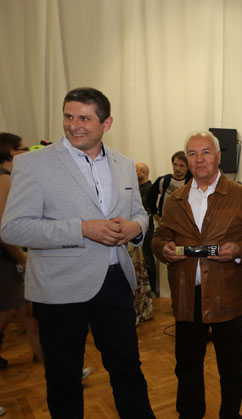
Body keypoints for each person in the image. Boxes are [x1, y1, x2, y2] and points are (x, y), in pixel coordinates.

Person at [0, 87, 154, 418]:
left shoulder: (124, 164)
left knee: (128, 370)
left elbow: (140, 214)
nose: (74, 125)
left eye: (84, 118)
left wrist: (135, 228)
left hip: (115, 283)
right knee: (64, 380)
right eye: (68, 116)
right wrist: (82, 228)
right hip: (58, 288)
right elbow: (14, 229)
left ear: (107, 123)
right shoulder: (32, 164)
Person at [151, 131, 242, 419]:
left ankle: (230, 414)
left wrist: (239, 249)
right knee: (187, 366)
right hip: (186, 298)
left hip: (226, 295)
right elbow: (160, 236)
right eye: (192, 154)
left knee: (232, 367)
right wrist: (163, 249)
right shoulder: (175, 199)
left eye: (205, 152)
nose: (199, 159)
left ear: (218, 156)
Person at [0, 133, 43, 368]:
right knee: (12, 310)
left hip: (9, 258)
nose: (27, 152)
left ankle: (44, 357)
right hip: (6, 260)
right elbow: (4, 230)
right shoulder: (4, 179)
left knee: (27, 310)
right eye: (23, 148)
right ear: (12, 152)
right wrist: (22, 258)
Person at [147, 151, 191, 220]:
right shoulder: (163, 180)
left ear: (187, 167)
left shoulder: (190, 183)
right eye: (175, 164)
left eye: (181, 165)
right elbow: (150, 198)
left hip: (183, 223)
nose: (177, 168)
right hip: (165, 222)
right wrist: (156, 215)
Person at [136, 162, 158, 294]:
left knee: (147, 257)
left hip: (147, 223)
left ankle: (152, 290)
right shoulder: (135, 188)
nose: (134, 173)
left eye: (136, 171)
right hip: (136, 224)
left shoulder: (151, 189)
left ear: (143, 173)